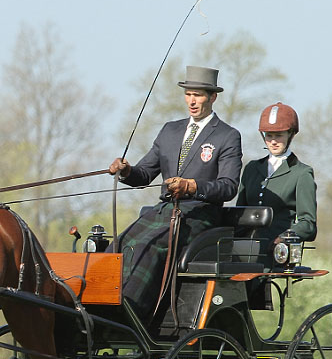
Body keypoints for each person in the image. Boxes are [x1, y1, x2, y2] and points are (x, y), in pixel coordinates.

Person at [108, 65, 242, 320]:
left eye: (198, 95)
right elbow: (144, 174)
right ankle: (100, 300)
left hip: (200, 215)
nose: (192, 100)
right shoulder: (170, 130)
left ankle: (132, 310)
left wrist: (192, 186)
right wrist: (125, 171)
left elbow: (229, 186)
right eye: (188, 94)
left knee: (153, 244)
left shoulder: (227, 136)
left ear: (212, 97)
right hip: (165, 211)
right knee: (122, 242)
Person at [237, 102, 317, 267]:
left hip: (277, 252)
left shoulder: (301, 173)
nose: (273, 141)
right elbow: (239, 213)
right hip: (245, 251)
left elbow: (308, 223)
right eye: (269, 135)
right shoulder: (251, 169)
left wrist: (284, 238)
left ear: (291, 134)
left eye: (279, 135)